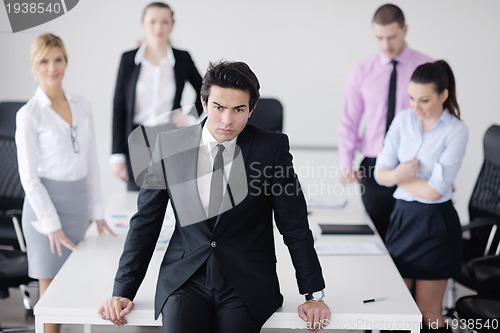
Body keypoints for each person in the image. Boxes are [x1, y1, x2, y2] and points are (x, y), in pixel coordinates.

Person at [98, 61, 331, 333]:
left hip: (246, 280)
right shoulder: (168, 146)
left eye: (238, 110)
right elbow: (145, 222)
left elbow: (295, 225)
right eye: (219, 107)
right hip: (185, 280)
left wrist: (313, 294)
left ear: (252, 109)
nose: (227, 120)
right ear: (204, 102)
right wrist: (123, 290)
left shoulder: (272, 149)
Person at [15, 33, 116, 333]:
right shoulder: (29, 115)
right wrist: (51, 224)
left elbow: (91, 161)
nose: (52, 67)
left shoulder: (82, 105)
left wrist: (97, 211)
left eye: (58, 59)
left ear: (66, 62)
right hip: (46, 209)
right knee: (51, 293)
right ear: (34, 66)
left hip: (78, 202)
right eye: (44, 61)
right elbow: (29, 178)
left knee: (79, 283)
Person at [375, 60, 467, 332]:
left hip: (435, 225)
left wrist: (399, 177)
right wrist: (398, 176)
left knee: (428, 313)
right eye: (412, 98)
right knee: (396, 310)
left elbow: (436, 191)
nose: (416, 107)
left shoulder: (457, 130)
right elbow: (380, 173)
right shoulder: (404, 119)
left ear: (443, 95)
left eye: (424, 100)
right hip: (404, 219)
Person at [338, 3, 433, 240]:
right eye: (379, 38)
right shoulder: (362, 71)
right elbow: (349, 120)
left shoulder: (426, 69)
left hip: (415, 165)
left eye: (392, 37)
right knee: (379, 239)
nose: (385, 45)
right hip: (374, 165)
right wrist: (346, 162)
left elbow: (436, 119)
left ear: (405, 30)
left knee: (410, 240)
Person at [111, 1, 203, 191]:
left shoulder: (182, 58)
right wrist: (116, 154)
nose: (158, 27)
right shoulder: (128, 59)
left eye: (164, 22)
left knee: (173, 196)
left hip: (170, 139)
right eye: (152, 22)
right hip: (136, 140)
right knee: (139, 201)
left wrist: (190, 116)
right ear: (143, 25)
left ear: (172, 25)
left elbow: (205, 91)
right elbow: (118, 106)